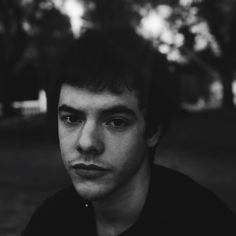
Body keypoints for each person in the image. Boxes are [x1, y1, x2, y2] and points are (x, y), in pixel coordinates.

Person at [22, 27, 236, 236]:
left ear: (152, 130)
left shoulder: (207, 225)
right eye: (72, 119)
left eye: (115, 122)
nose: (86, 142)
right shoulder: (51, 221)